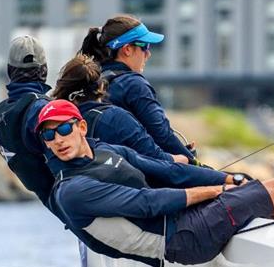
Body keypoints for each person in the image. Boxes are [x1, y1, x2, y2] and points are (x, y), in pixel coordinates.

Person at [36, 100, 274, 267]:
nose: (58, 139)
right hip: (183, 239)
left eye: (64, 128)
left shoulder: (106, 150)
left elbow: (171, 172)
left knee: (269, 192)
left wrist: (228, 178)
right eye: (49, 136)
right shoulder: (72, 189)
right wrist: (221, 192)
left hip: (189, 220)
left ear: (81, 127)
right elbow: (148, 204)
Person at [79, 15, 197, 162]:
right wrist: (193, 161)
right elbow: (162, 135)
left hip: (98, 168)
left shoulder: (91, 79)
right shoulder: (133, 84)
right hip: (135, 173)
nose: (148, 54)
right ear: (127, 49)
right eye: (145, 47)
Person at [52, 54, 188, 164]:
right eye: (144, 48)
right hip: (128, 193)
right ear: (101, 88)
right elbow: (157, 159)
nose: (148, 53)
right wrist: (187, 159)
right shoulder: (117, 118)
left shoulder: (53, 126)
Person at [0, 35, 53, 206]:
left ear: (9, 72)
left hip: (46, 195)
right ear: (44, 71)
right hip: (66, 193)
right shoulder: (45, 109)